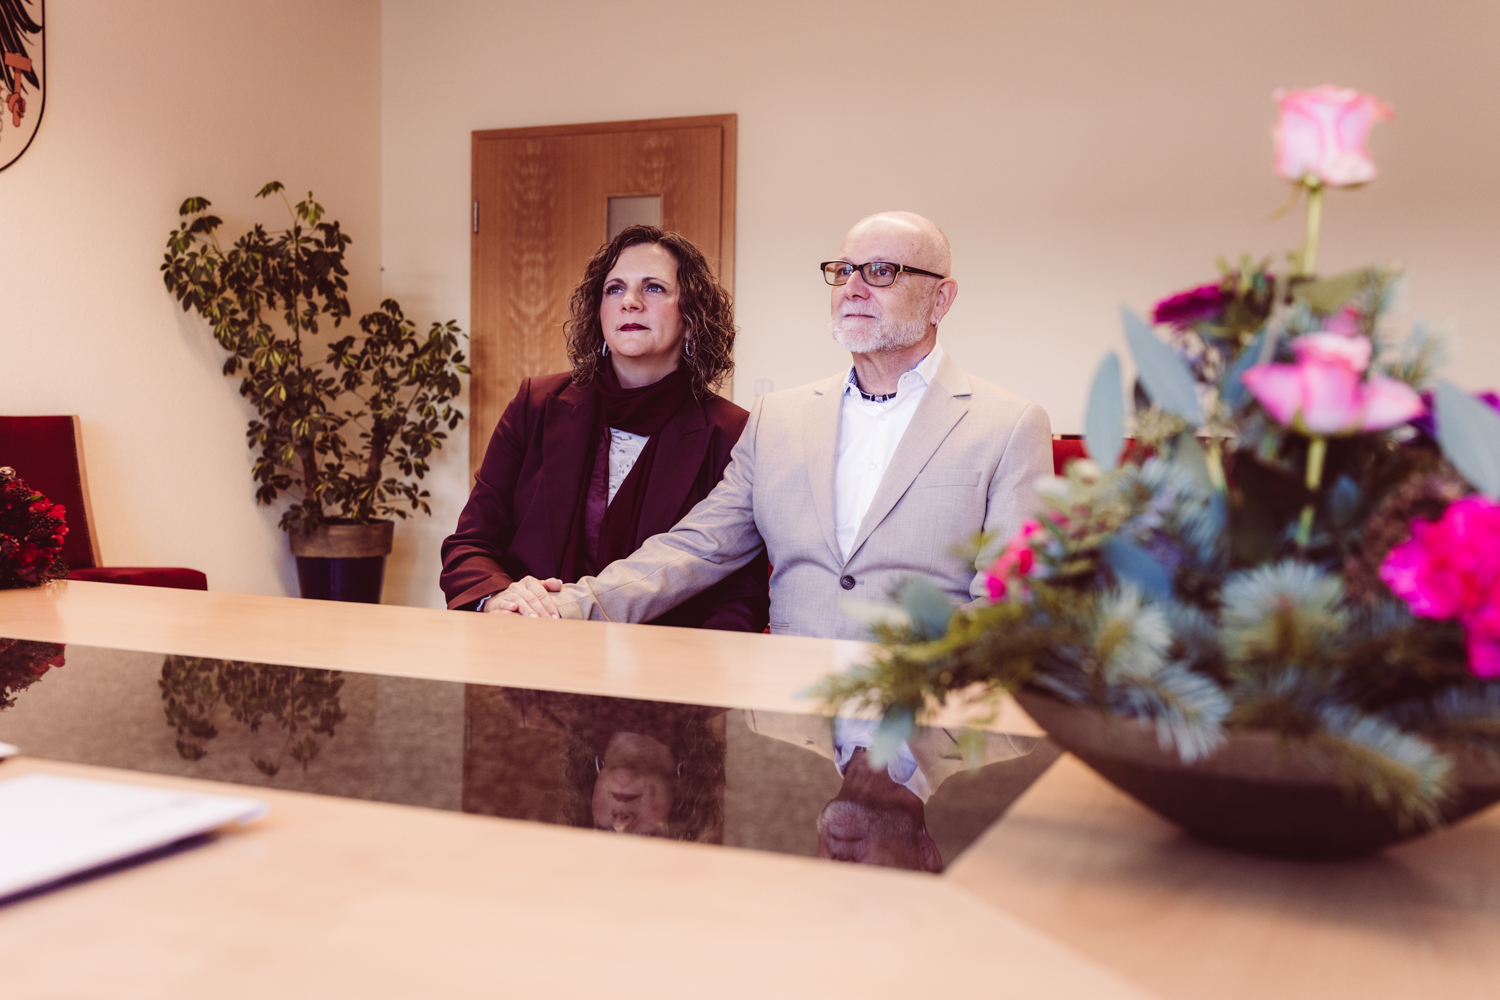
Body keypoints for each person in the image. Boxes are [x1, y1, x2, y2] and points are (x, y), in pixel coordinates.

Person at [489, 211, 1052, 639]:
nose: (853, 287)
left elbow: (1012, 603)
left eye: (882, 272)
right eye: (843, 271)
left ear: (941, 299)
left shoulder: (1009, 426)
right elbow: (699, 547)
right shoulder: (778, 420)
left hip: (928, 717)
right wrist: (566, 606)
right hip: (788, 719)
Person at [440, 225, 769, 631]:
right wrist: (498, 599)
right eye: (614, 289)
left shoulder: (733, 433)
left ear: (691, 318)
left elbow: (741, 596)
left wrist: (685, 663)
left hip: (658, 661)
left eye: (653, 288)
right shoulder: (536, 404)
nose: (629, 302)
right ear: (598, 314)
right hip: (526, 643)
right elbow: (471, 543)